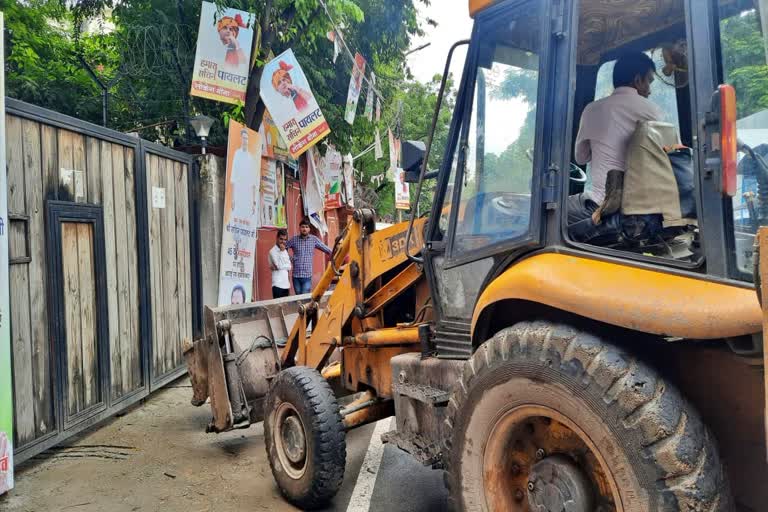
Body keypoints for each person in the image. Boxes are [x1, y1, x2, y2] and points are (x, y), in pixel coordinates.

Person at [569, 52, 665, 225]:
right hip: (643, 208)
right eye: (649, 82)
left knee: (549, 210)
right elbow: (670, 155)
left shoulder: (592, 110)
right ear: (637, 80)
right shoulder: (653, 111)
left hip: (599, 205)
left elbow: (580, 158)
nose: (650, 90)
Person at [286, 217, 332, 294]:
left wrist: (338, 252)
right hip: (296, 275)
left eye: (306, 227)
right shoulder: (294, 239)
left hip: (307, 276)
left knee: (304, 297)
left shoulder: (314, 239)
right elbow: (284, 247)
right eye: (303, 227)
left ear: (309, 229)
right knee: (298, 299)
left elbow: (327, 250)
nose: (304, 229)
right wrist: (289, 258)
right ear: (299, 228)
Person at [230, 127, 258, 223]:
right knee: (237, 222)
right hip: (238, 195)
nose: (245, 141)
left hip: (248, 196)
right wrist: (233, 199)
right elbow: (233, 178)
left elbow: (253, 182)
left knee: (247, 222)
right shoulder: (237, 154)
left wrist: (254, 202)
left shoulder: (250, 158)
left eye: (247, 138)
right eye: (244, 138)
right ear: (241, 139)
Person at [269, 229, 292, 298]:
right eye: (281, 239)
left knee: (285, 307)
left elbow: (289, 266)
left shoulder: (284, 250)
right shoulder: (272, 251)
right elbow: (278, 266)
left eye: (285, 240)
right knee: (278, 307)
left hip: (286, 284)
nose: (283, 241)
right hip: (277, 284)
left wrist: (283, 265)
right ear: (277, 238)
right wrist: (282, 252)